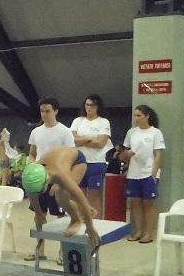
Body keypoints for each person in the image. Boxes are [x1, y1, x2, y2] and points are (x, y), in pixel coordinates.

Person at [26, 97, 75, 261]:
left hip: (57, 178)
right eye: (42, 111)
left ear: (56, 111)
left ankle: (62, 252)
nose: (44, 114)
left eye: (47, 111)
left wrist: (59, 182)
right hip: (39, 178)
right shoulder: (36, 132)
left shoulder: (65, 132)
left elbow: (69, 158)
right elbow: (32, 153)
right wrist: (31, 164)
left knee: (60, 216)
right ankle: (40, 250)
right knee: (39, 214)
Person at [21, 146, 100, 246]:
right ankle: (87, 210)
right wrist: (38, 214)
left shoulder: (60, 174)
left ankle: (76, 220)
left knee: (61, 194)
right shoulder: (30, 175)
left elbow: (80, 198)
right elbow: (32, 195)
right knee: (63, 194)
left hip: (77, 161)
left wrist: (90, 228)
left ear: (46, 180)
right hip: (60, 159)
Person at [120, 105, 165, 243]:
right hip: (134, 173)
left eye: (139, 115)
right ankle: (138, 231)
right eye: (135, 115)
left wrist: (153, 173)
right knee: (135, 203)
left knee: (148, 203)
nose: (136, 118)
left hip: (148, 172)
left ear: (147, 116)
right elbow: (124, 155)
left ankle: (149, 233)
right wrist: (127, 154)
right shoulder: (131, 132)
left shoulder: (155, 132)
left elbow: (158, 154)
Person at [70, 94, 113, 220]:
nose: (89, 107)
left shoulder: (103, 122)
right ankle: (81, 221)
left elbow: (100, 143)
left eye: (92, 105)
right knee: (79, 194)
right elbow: (72, 139)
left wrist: (81, 140)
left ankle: (96, 221)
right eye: (87, 105)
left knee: (94, 194)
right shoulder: (78, 121)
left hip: (96, 162)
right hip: (79, 162)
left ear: (97, 107)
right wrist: (89, 138)